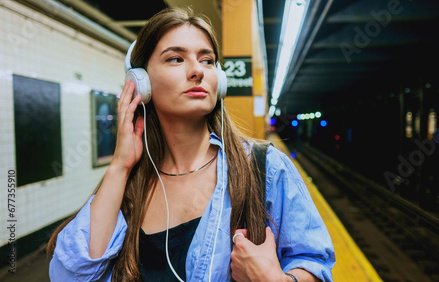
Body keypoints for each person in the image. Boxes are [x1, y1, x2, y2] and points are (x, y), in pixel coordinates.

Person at [47, 7, 335, 281]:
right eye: (176, 59)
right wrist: (120, 166)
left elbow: (314, 263)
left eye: (207, 60)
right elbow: (70, 276)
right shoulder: (130, 182)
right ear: (141, 82)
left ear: (218, 80)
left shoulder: (264, 169)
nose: (197, 70)